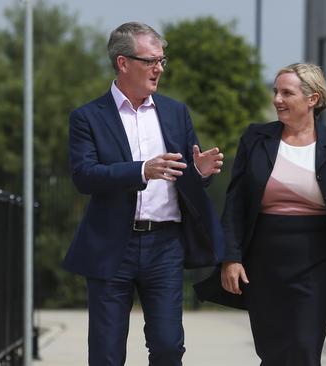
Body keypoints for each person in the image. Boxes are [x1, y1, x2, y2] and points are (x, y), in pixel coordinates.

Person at [63, 21, 224, 365]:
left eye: (162, 61)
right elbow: (84, 176)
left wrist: (197, 172)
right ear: (123, 63)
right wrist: (140, 170)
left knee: (168, 347)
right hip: (111, 247)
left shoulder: (175, 112)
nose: (159, 69)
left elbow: (182, 177)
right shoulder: (88, 117)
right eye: (151, 61)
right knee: (106, 354)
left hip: (165, 246)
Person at [218, 63, 326, 365]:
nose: (277, 100)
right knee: (272, 353)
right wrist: (231, 258)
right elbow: (235, 203)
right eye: (275, 92)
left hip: (319, 264)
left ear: (313, 99)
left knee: (304, 349)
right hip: (263, 263)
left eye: (287, 93)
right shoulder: (255, 138)